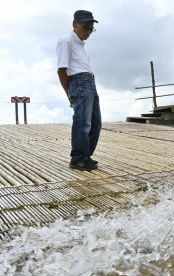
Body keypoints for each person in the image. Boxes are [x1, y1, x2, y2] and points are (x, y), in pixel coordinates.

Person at [56, 10, 102, 171]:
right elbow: (61, 70)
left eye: (91, 29)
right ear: (74, 24)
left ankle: (85, 157)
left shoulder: (80, 44)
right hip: (79, 83)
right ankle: (77, 159)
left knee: (96, 123)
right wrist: (69, 93)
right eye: (86, 27)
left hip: (89, 82)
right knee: (83, 123)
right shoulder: (66, 40)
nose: (88, 32)